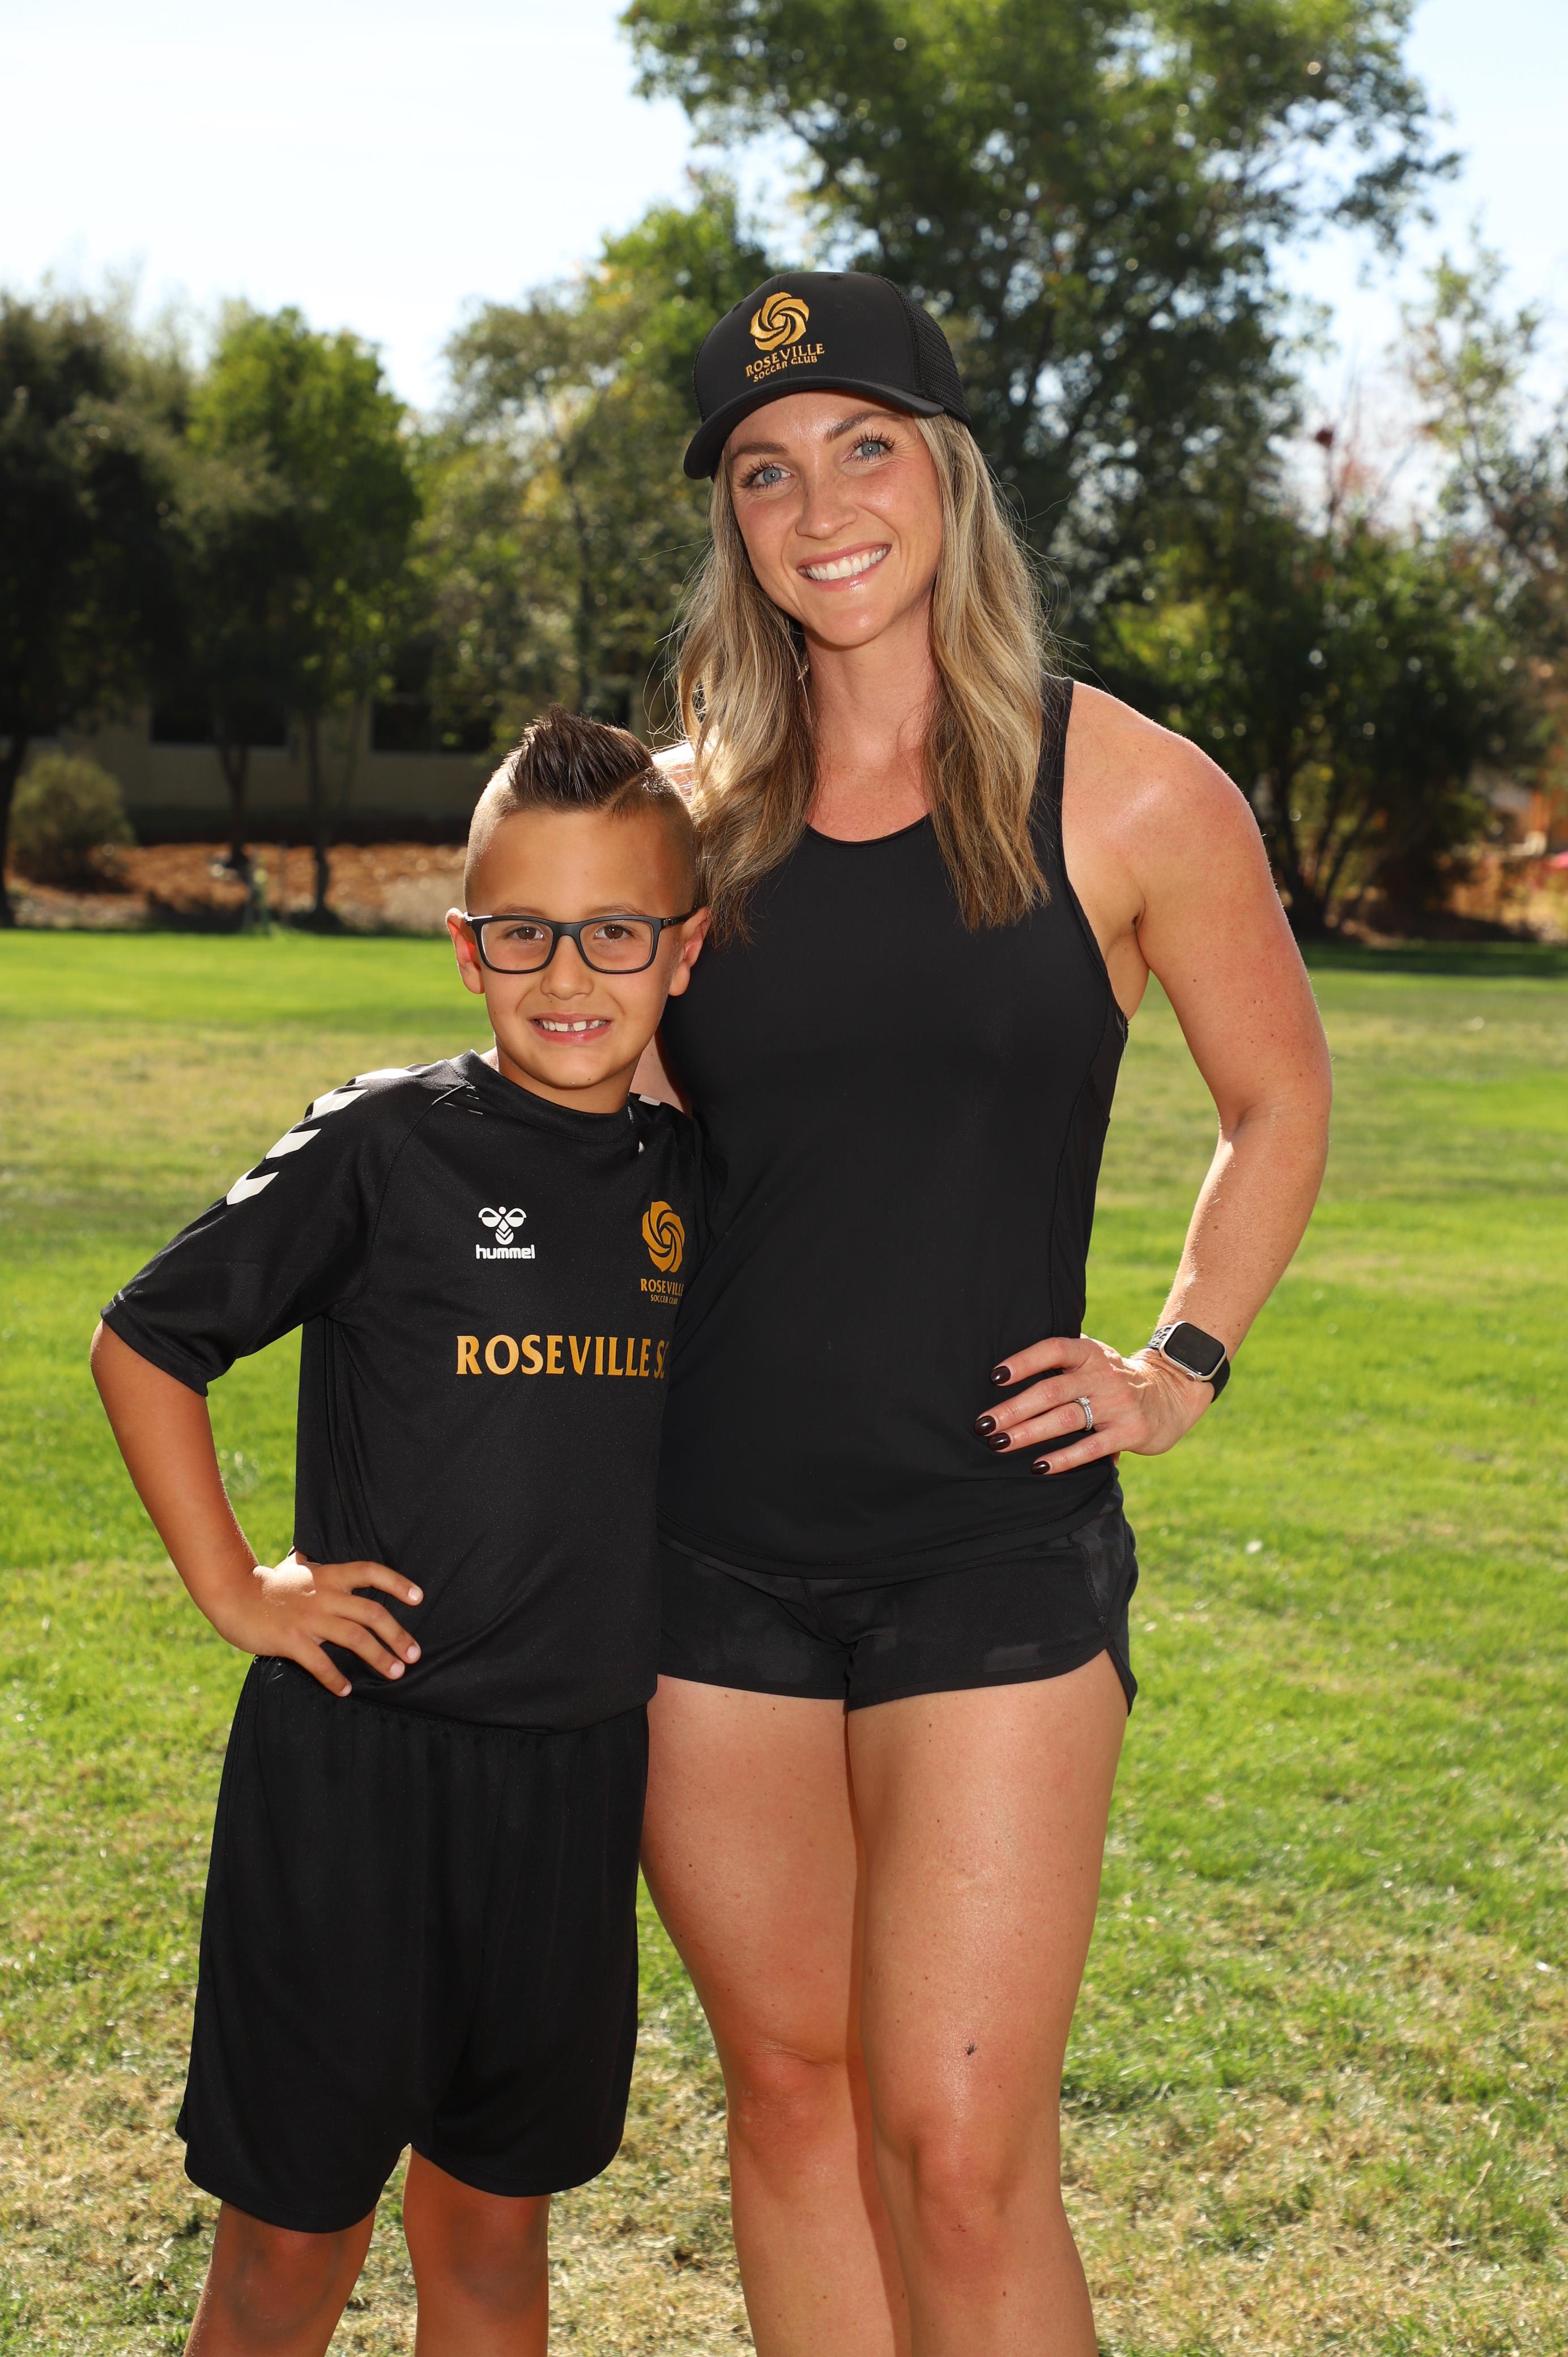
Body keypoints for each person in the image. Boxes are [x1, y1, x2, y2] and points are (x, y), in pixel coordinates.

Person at [634, 271, 1333, 2357]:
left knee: (956, 2145)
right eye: (767, 472)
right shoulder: (681, 820)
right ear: (733, 523)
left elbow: (1279, 1096)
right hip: (704, 1556)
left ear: (946, 474)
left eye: (864, 448)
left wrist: (1179, 1362)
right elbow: (595, 1141)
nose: (820, 505)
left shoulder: (1126, 789)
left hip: (989, 1552)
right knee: (792, 2098)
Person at [90, 708, 708, 2357]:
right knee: (293, 2248)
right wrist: (240, 1587)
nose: (567, 973)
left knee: (496, 2235)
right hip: (356, 1780)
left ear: (686, 950)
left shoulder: (693, 1180)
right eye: (523, 932)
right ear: (464, 946)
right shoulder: (385, 1143)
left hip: (572, 1781)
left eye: (617, 932)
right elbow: (145, 1343)